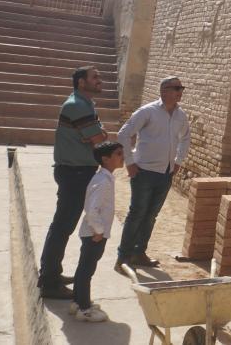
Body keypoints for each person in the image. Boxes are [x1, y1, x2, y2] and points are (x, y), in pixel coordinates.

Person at [39, 66, 107, 300]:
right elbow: (98, 139)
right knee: (62, 227)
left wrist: (98, 135)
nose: (99, 80)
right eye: (94, 77)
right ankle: (49, 282)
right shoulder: (77, 105)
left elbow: (96, 137)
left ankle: (52, 274)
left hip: (78, 173)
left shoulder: (86, 104)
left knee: (63, 227)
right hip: (74, 174)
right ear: (81, 82)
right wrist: (99, 135)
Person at [115, 76, 191, 270]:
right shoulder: (147, 112)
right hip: (144, 172)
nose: (180, 92)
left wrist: (178, 161)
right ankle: (123, 257)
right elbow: (124, 134)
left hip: (165, 174)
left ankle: (139, 253)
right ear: (164, 91)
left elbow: (185, 138)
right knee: (137, 214)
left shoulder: (180, 116)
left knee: (150, 216)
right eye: (176, 88)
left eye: (181, 88)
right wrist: (129, 162)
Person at [70, 141, 123, 323]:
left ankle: (78, 302)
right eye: (118, 154)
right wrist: (99, 231)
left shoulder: (105, 178)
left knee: (84, 268)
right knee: (87, 271)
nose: (122, 157)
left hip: (92, 232)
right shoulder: (103, 182)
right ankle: (84, 310)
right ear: (105, 159)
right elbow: (92, 210)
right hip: (94, 234)